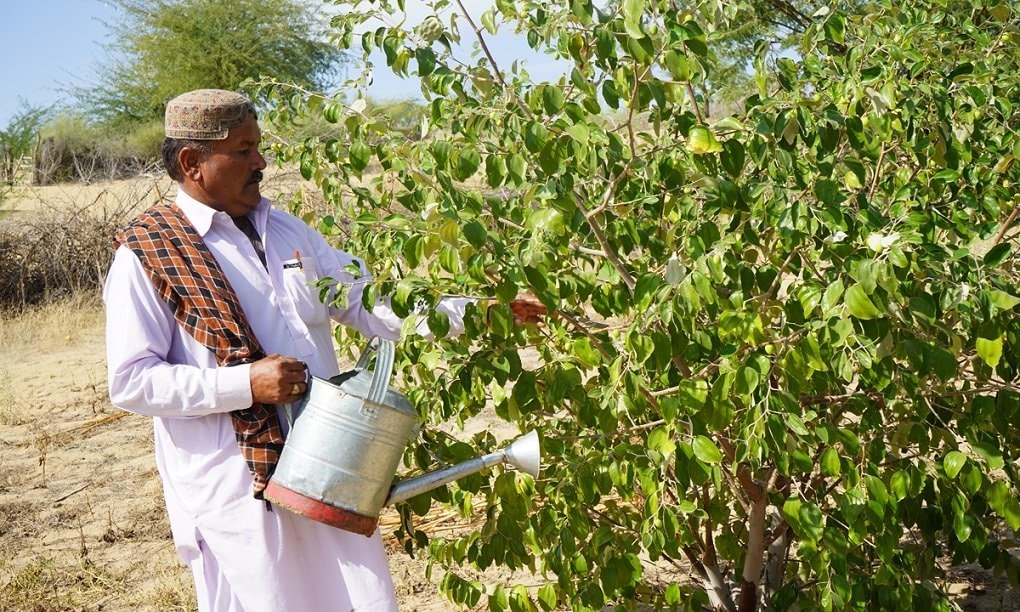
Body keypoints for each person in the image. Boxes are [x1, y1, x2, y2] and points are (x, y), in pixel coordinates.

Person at [104, 89, 542, 611]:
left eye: (258, 147)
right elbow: (131, 381)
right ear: (192, 163)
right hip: (234, 484)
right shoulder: (148, 255)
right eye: (243, 150)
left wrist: (478, 311)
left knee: (352, 597)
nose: (260, 162)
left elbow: (369, 302)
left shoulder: (288, 231)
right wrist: (245, 384)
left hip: (326, 463)